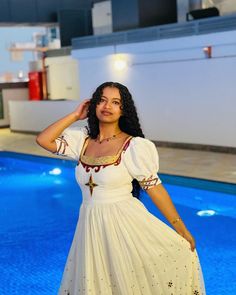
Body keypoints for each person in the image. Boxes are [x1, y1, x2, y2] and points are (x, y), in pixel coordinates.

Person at [36, 82, 206, 295]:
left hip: (125, 226)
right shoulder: (82, 140)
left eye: (116, 102)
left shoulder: (134, 146)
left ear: (123, 110)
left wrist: (180, 228)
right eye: (102, 100)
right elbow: (43, 140)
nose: (107, 106)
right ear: (94, 104)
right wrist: (75, 115)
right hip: (90, 225)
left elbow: (155, 188)